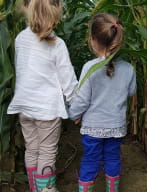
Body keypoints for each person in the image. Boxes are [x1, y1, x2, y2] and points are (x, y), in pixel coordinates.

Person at [7, 0, 78, 191]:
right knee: (47, 152)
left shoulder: (20, 38)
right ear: (56, 15)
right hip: (47, 109)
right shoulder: (57, 44)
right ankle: (45, 189)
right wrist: (77, 107)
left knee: (32, 149)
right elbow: (68, 82)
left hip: (24, 107)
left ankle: (34, 188)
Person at [69, 13, 137, 192]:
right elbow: (131, 92)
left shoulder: (90, 67)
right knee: (113, 159)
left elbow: (82, 99)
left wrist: (74, 114)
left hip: (93, 128)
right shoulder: (129, 69)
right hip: (116, 127)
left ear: (92, 40)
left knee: (90, 161)